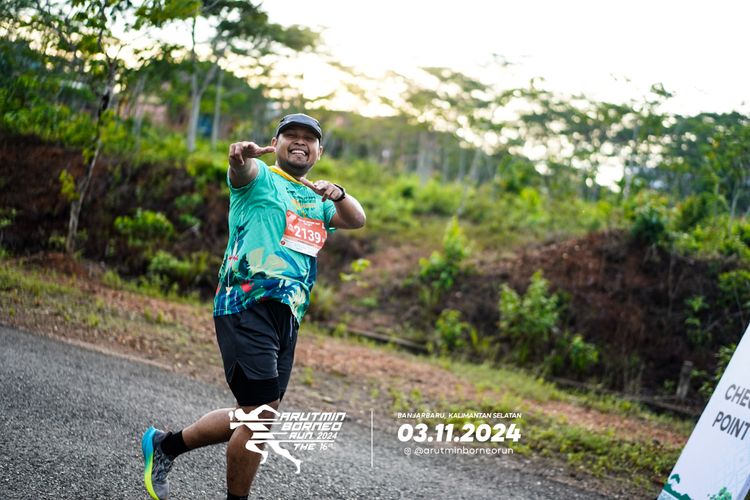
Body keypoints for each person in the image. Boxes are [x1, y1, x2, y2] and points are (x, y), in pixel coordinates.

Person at [141, 113, 366, 500]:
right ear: (275, 144)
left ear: (319, 151)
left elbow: (357, 219)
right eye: (290, 135)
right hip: (246, 302)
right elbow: (241, 170)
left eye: (308, 138)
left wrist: (339, 193)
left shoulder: (318, 198)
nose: (300, 142)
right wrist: (239, 158)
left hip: (288, 313)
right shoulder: (261, 176)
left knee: (258, 414)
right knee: (260, 415)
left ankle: (166, 445)